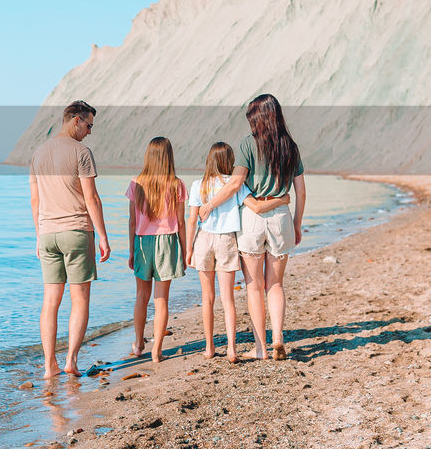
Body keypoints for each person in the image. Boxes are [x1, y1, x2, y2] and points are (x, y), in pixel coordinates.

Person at [198, 95, 305, 361]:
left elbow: (235, 185)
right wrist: (297, 223)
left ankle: (261, 348)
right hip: (281, 216)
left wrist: (209, 204)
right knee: (276, 284)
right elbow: (300, 192)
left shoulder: (248, 144)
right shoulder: (290, 147)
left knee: (254, 286)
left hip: (253, 218)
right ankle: (278, 338)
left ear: (257, 118)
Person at [184, 142, 290, 362]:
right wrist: (284, 199)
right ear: (231, 162)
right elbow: (257, 207)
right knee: (228, 299)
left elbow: (192, 219)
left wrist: (188, 249)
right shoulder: (237, 186)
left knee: (207, 298)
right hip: (227, 241)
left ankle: (209, 347)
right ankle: (232, 349)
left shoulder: (197, 185)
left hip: (203, 240)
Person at [30, 100, 110, 378]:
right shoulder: (81, 152)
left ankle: (49, 365)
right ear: (76, 120)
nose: (90, 132)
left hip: (48, 234)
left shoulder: (38, 153)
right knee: (80, 298)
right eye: (89, 125)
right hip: (76, 231)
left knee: (50, 300)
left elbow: (35, 200)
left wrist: (39, 237)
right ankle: (71, 362)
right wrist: (103, 235)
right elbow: (92, 198)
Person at [126, 136, 188, 363]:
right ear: (169, 156)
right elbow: (180, 223)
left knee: (141, 296)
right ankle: (157, 350)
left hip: (142, 242)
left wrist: (131, 251)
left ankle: (139, 343)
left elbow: (132, 222)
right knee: (161, 299)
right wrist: (185, 249)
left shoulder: (136, 183)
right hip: (167, 242)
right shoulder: (176, 184)